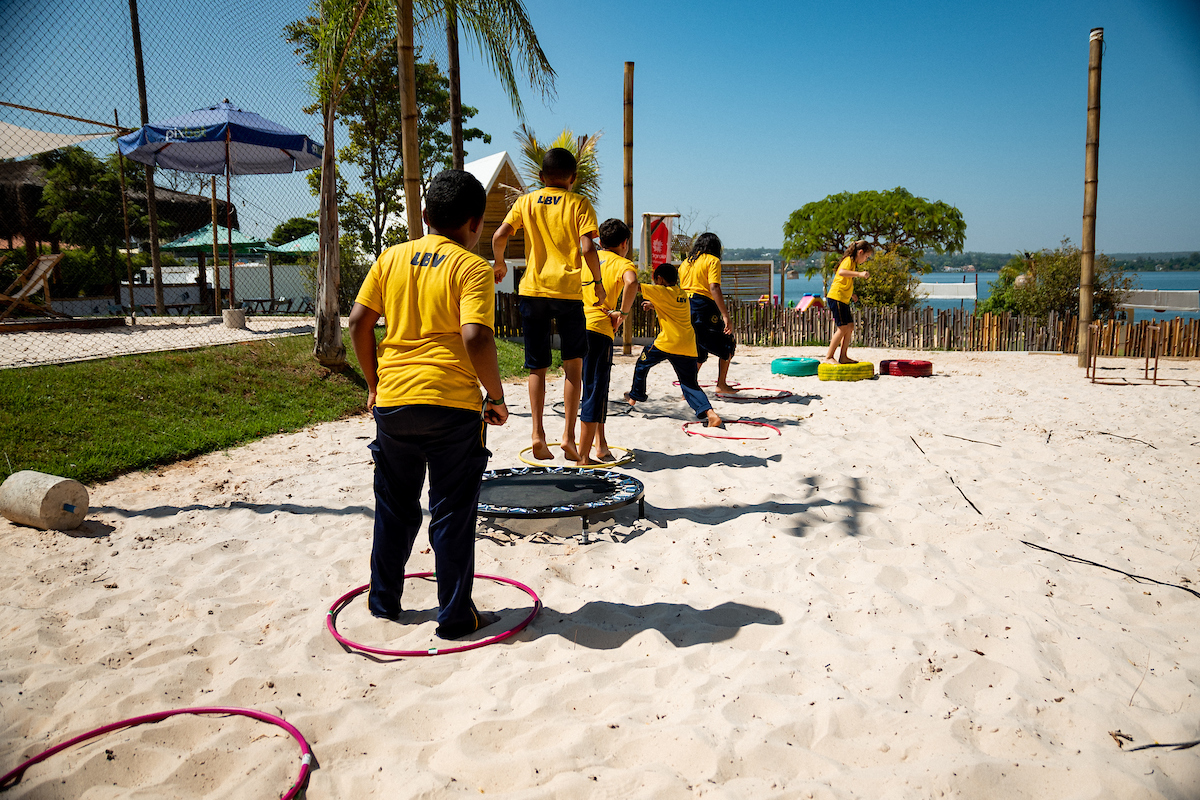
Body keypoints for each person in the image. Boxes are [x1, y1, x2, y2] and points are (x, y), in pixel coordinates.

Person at [348, 169, 509, 641]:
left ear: (424, 215)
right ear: (477, 224)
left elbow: (359, 323)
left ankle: (383, 602)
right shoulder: (472, 266)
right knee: (453, 511)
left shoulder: (390, 257)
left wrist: (375, 383)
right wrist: (496, 397)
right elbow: (476, 336)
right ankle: (456, 617)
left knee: (395, 507)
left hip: (394, 403)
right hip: (451, 406)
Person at [492, 147, 606, 463]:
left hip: (533, 290)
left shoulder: (526, 201)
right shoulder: (580, 203)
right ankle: (568, 438)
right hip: (568, 293)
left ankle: (538, 436)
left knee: (537, 366)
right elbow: (587, 248)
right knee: (573, 366)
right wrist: (597, 282)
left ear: (541, 177)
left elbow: (501, 234)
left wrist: (499, 263)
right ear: (573, 178)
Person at [624, 262, 723, 428]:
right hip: (688, 345)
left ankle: (635, 395)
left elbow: (635, 285)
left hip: (667, 343)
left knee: (642, 363)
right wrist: (653, 304)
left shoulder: (661, 291)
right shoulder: (682, 294)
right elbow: (670, 304)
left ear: (660, 279)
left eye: (656, 280)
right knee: (690, 384)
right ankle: (710, 414)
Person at [577, 218, 639, 466]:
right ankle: (583, 456)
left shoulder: (586, 260)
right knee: (594, 391)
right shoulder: (622, 262)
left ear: (601, 241)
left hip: (577, 328)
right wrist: (622, 314)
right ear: (624, 243)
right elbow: (632, 282)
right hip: (599, 330)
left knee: (591, 388)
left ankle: (600, 446)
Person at [680, 232, 739, 394]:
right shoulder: (712, 261)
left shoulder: (686, 263)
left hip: (685, 307)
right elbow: (714, 287)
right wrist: (726, 316)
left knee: (698, 349)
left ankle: (689, 389)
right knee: (728, 343)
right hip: (702, 306)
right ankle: (721, 384)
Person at [824, 240, 874, 364]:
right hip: (837, 297)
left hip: (843, 299)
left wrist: (851, 294)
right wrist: (859, 274)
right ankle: (829, 357)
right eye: (866, 257)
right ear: (860, 252)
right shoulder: (849, 261)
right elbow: (841, 272)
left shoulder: (852, 263)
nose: (865, 260)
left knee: (850, 327)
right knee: (842, 328)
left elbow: (843, 279)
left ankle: (843, 356)